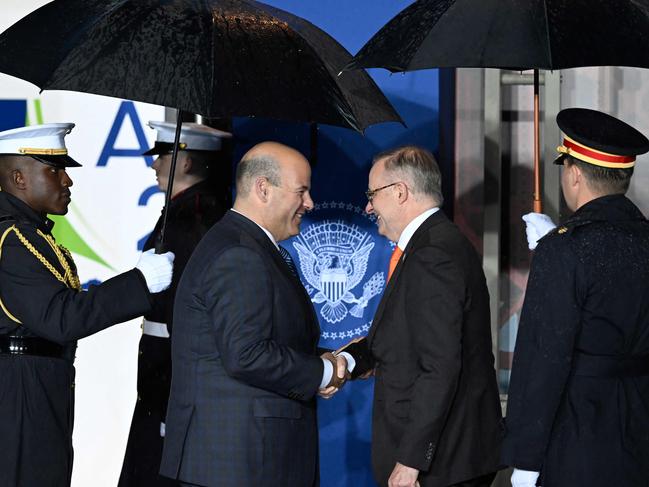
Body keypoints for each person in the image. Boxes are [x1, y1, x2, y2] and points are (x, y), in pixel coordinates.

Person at [160, 141, 348, 487]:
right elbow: (246, 354)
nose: (310, 203)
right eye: (302, 191)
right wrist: (320, 372)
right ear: (263, 188)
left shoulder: (245, 245)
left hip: (245, 461)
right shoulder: (239, 253)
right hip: (239, 465)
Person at [0, 123, 175, 487]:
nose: (67, 181)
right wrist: (139, 282)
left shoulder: (30, 234)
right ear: (19, 178)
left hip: (34, 388)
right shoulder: (14, 240)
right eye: (55, 170)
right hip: (20, 395)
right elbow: (61, 318)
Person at [503, 108, 649, 487]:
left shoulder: (565, 249)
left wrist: (525, 458)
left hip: (578, 436)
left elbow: (543, 358)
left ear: (574, 173)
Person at [349, 146, 502, 487]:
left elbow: (440, 364)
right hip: (447, 456)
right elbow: (404, 340)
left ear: (400, 192)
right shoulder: (432, 243)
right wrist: (346, 361)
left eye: (372, 195)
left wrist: (410, 460)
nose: (368, 207)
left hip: (442, 465)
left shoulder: (432, 253)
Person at [119, 121, 231, 487]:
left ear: (185, 163)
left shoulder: (195, 214)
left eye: (162, 156)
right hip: (162, 370)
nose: (153, 165)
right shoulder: (183, 210)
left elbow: (187, 313)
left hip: (171, 374)